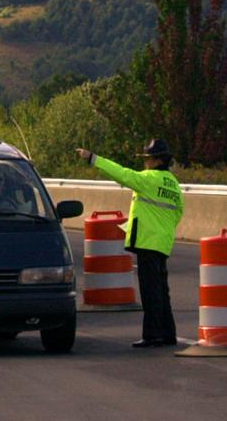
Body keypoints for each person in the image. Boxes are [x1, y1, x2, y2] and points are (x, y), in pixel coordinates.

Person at [76, 139, 183, 348]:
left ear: (155, 160)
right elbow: (178, 212)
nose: (145, 162)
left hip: (147, 242)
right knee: (162, 291)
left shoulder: (148, 179)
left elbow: (120, 173)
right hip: (162, 242)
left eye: (147, 158)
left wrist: (93, 158)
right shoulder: (173, 183)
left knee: (150, 291)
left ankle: (152, 335)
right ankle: (168, 334)